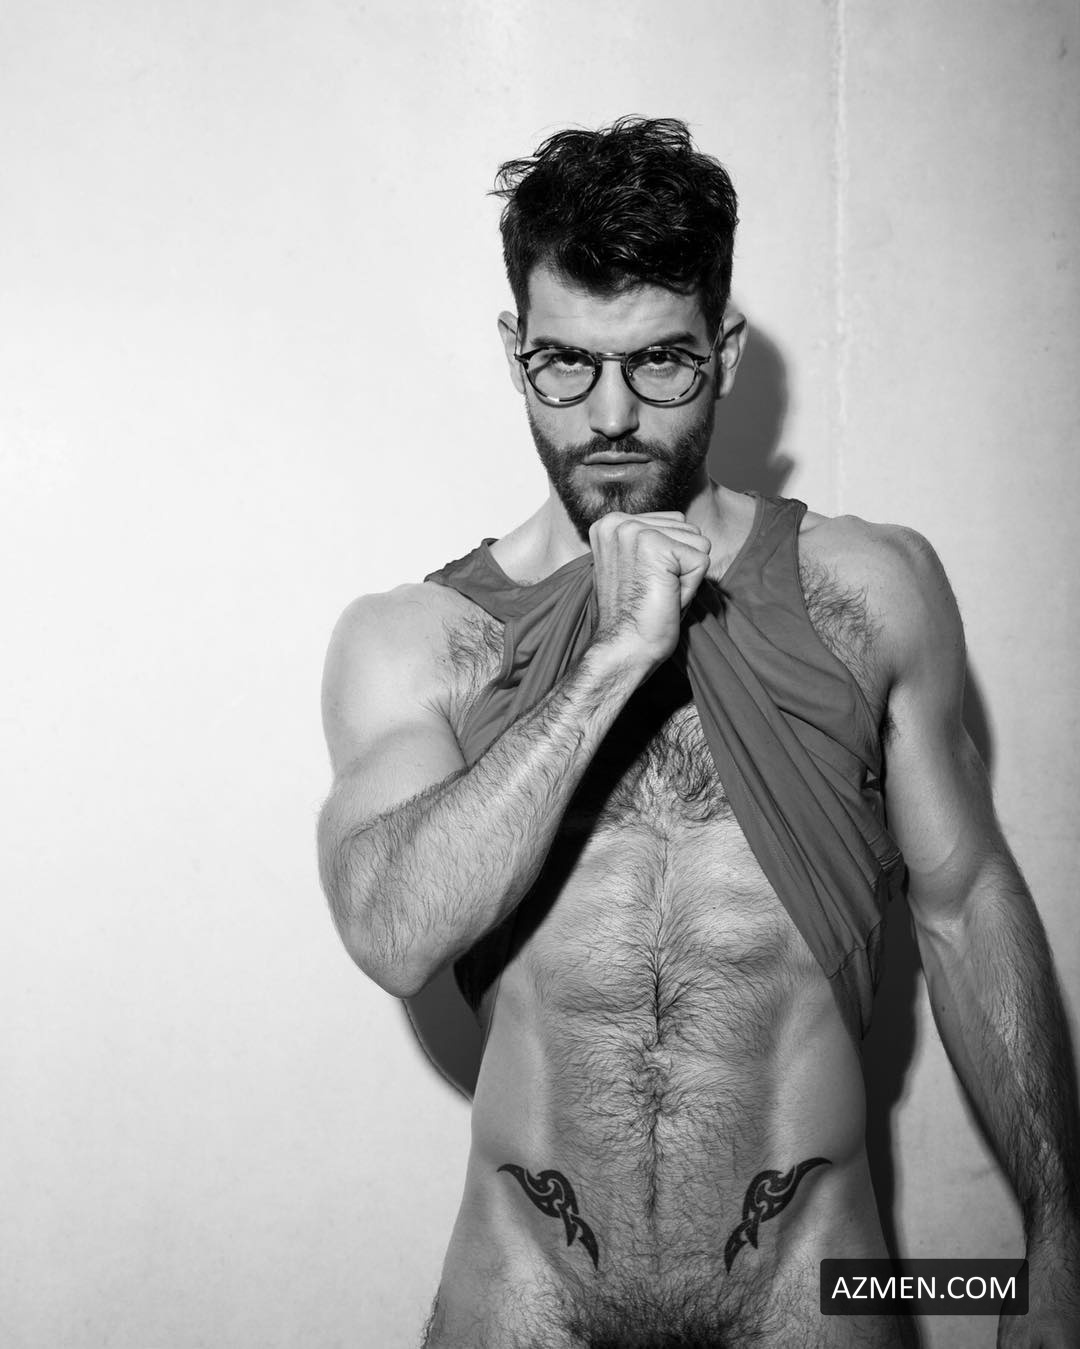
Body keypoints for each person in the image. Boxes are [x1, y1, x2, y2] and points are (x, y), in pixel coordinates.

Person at [317, 118, 1080, 1348]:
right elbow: (395, 930)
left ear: (721, 349)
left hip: (817, 1293)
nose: (612, 415)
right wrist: (613, 657)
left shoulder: (868, 587)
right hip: (525, 1300)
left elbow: (966, 903)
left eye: (661, 362)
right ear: (514, 352)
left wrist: (1057, 1237)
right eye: (567, 365)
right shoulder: (421, 638)